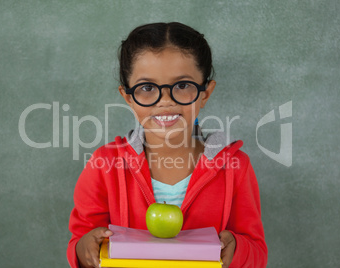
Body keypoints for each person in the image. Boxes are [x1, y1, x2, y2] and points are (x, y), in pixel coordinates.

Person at [67, 22, 268, 268]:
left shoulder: (236, 166)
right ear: (128, 97)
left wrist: (236, 249)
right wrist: (84, 248)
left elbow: (256, 251)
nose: (165, 101)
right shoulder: (104, 164)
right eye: (147, 88)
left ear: (205, 93)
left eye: (183, 86)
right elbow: (81, 239)